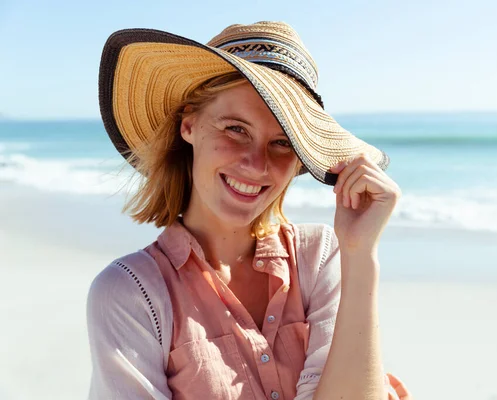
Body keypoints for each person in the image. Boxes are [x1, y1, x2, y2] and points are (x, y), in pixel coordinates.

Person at [87, 21, 411, 400]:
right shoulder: (132, 293)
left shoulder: (320, 256)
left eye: (281, 142)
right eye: (236, 129)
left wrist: (361, 254)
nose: (257, 165)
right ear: (188, 124)